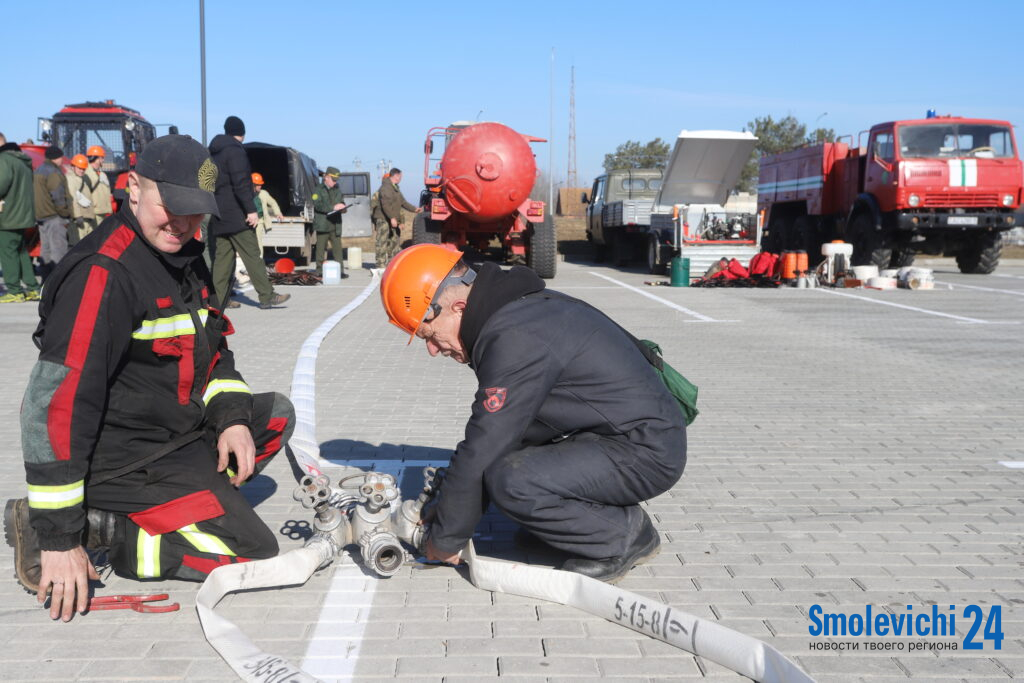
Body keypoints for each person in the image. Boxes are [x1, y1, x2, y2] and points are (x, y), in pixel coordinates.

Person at [3, 134, 296, 622]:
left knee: (272, 415)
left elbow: (214, 350)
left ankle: (194, 501)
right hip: (123, 459)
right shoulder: (105, 274)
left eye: (195, 212)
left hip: (173, 433)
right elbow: (54, 406)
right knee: (250, 551)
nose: (182, 225)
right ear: (134, 188)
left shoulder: (181, 256)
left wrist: (230, 420)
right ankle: (105, 530)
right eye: (171, 207)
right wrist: (59, 536)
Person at [379, 245, 687, 583]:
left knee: (513, 480)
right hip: (616, 433)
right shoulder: (512, 312)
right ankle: (568, 529)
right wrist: (452, 504)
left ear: (458, 306)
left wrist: (445, 541)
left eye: (430, 335)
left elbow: (487, 442)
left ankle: (624, 536)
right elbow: (503, 432)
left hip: (646, 450)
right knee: (508, 468)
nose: (434, 350)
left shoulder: (515, 336)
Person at [207, 116, 289, 309]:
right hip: (237, 214)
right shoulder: (235, 151)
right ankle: (267, 296)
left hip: (219, 213)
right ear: (242, 133)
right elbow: (241, 183)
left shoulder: (212, 153)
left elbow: (206, 182)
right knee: (252, 255)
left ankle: (218, 300)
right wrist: (251, 210)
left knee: (223, 260)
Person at [0, 132, 41, 302]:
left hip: (8, 216)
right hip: (23, 215)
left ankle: (14, 290)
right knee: (21, 251)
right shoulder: (23, 160)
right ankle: (33, 288)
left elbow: (1, 184)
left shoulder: (4, 160)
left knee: (7, 252)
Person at [372, 168, 421, 269]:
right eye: (400, 176)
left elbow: (403, 202)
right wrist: (392, 218)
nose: (401, 178)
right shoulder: (386, 188)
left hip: (391, 219)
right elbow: (385, 205)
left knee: (394, 242)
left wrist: (415, 209)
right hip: (383, 218)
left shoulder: (395, 188)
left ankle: (392, 264)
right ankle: (380, 265)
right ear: (396, 176)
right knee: (382, 241)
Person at [33, 145, 71, 275]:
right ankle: (58, 279)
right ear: (56, 157)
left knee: (46, 250)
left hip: (41, 217)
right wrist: (65, 213)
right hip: (54, 217)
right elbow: (58, 196)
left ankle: (46, 278)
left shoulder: (38, 170)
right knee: (58, 250)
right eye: (60, 156)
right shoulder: (53, 172)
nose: (62, 159)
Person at [311, 166, 347, 276]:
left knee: (337, 249)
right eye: (333, 180)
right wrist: (333, 207)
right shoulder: (318, 190)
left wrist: (343, 207)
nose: (335, 182)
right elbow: (317, 205)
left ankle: (340, 271)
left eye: (336, 180)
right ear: (326, 177)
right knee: (321, 248)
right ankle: (319, 271)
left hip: (335, 224)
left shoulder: (337, 190)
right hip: (323, 223)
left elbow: (341, 202)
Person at [65, 154, 96, 246]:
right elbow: (73, 199)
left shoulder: (81, 178)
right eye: (80, 168)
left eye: (83, 169)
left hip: (87, 216)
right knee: (82, 245)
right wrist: (77, 215)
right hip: (81, 218)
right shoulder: (71, 180)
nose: (82, 170)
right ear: (73, 167)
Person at [251, 172, 282, 252]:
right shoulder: (246, 194)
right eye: (258, 184)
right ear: (253, 185)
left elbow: (272, 202)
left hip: (259, 221)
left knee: (258, 242)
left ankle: (260, 258)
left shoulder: (263, 193)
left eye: (261, 184)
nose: (260, 186)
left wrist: (278, 213)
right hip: (248, 222)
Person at [85, 145, 113, 221]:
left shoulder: (102, 174)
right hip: (93, 213)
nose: (103, 160)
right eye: (102, 158)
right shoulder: (86, 174)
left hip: (103, 212)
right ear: (97, 158)